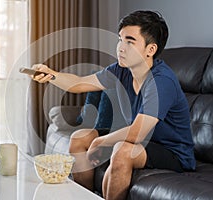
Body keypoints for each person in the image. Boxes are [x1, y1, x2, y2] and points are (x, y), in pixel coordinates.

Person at [31, 10, 196, 200]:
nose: (121, 48)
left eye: (130, 42)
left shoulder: (161, 81)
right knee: (79, 138)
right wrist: (50, 75)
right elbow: (79, 83)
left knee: (122, 150)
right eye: (120, 39)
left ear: (150, 50)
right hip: (140, 142)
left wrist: (101, 141)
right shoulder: (121, 71)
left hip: (171, 152)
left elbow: (137, 133)